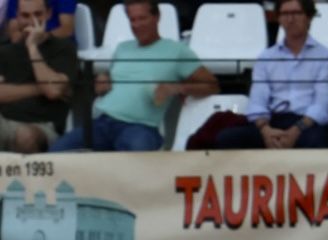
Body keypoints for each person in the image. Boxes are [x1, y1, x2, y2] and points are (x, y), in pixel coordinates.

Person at [49, 0, 217, 152]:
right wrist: (102, 83)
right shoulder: (123, 48)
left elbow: (212, 85)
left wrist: (178, 88)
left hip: (140, 127)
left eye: (142, 19)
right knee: (57, 151)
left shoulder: (177, 51)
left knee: (137, 153)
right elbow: (116, 81)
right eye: (132, 20)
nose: (136, 25)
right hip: (102, 122)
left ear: (156, 17)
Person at [213, 0, 328, 151]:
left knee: (317, 141)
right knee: (227, 139)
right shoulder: (266, 57)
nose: (290, 19)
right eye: (285, 14)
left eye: (296, 13)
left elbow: (322, 106)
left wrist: (294, 132)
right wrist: (266, 131)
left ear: (309, 17)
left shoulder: (325, 56)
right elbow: (257, 102)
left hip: (307, 124)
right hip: (272, 121)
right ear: (278, 18)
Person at [0, 0, 76, 152]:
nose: (32, 21)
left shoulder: (64, 48)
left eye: (38, 14)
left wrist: (32, 47)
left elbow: (52, 91)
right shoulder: (6, 52)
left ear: (48, 14)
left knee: (25, 137)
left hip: (42, 125)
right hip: (4, 121)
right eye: (25, 15)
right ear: (17, 17)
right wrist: (38, 88)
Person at [5, 0, 74, 40]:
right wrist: (29, 38)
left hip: (56, 43)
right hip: (24, 43)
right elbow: (14, 35)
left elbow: (67, 29)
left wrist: (42, 37)